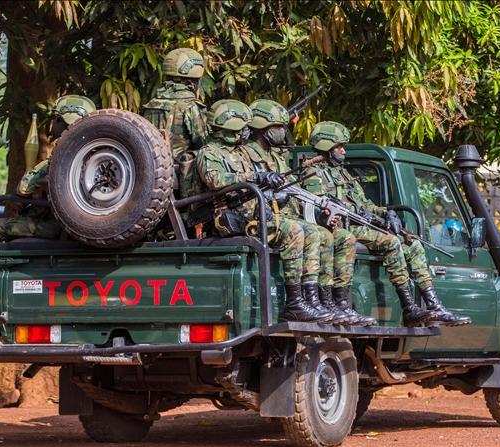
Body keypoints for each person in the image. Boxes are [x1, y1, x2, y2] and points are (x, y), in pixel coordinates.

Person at [303, 121, 470, 327]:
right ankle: (409, 307)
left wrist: (387, 213)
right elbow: (322, 206)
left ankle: (433, 305)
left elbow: (366, 205)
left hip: (359, 223)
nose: (344, 151)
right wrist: (360, 213)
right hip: (342, 227)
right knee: (391, 242)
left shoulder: (343, 174)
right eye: (340, 146)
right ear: (327, 146)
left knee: (414, 245)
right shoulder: (313, 173)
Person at [238, 99, 372, 326]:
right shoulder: (246, 155)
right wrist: (267, 187)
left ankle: (324, 302)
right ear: (262, 128)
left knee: (329, 235)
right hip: (263, 215)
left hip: (284, 213)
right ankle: (296, 303)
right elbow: (245, 187)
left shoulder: (276, 157)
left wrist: (323, 208)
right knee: (307, 232)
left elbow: (295, 192)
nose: (283, 132)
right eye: (278, 128)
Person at [195, 99, 326, 323]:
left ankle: (310, 299)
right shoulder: (210, 152)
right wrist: (254, 177)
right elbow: (214, 180)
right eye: (244, 126)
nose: (248, 130)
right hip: (233, 219)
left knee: (314, 232)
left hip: (255, 215)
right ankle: (294, 303)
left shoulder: (240, 152)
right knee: (294, 231)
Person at [0, 95, 95, 242]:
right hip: (85, 229)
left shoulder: (60, 158)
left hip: (54, 227)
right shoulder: (99, 158)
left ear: (57, 120)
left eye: (56, 120)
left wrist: (35, 176)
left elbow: (23, 188)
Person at [142, 47, 209, 200]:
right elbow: (203, 143)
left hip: (151, 172)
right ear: (194, 81)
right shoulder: (190, 107)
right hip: (181, 177)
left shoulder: (152, 104)